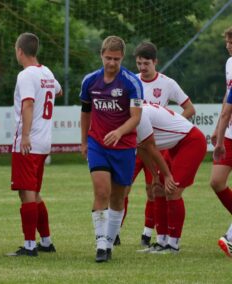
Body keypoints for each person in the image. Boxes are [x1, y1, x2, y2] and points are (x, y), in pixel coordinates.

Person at [123, 41, 196, 248]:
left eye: (146, 63)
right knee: (123, 187)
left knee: (154, 188)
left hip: (157, 146)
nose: (142, 68)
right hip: (135, 145)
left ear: (155, 62)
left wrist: (172, 124)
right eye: (138, 63)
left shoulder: (167, 83)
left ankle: (149, 233)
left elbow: (190, 109)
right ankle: (115, 232)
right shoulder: (132, 83)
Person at [79, 35, 143, 262]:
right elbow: (85, 113)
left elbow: (136, 117)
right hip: (98, 144)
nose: (112, 63)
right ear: (101, 55)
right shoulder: (90, 82)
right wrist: (85, 141)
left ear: (122, 58)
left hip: (124, 146)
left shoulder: (131, 83)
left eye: (116, 59)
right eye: (108, 58)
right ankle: (101, 244)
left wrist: (119, 132)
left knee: (118, 198)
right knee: (101, 192)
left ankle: (110, 240)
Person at [7, 32, 62, 257]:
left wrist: (26, 135)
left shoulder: (25, 75)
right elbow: (58, 90)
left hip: (29, 142)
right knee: (35, 192)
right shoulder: (46, 72)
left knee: (26, 193)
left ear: (19, 51)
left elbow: (27, 105)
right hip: (45, 140)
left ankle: (30, 245)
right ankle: (46, 241)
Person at [137, 103, 206, 253]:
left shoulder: (138, 114)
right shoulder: (129, 112)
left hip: (191, 141)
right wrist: (155, 175)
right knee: (159, 190)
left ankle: (173, 244)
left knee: (172, 190)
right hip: (174, 145)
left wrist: (167, 175)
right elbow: (140, 149)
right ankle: (162, 242)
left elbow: (151, 147)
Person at [211, 27, 232, 258]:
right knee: (217, 182)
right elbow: (227, 98)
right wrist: (219, 129)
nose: (228, 46)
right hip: (229, 134)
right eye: (227, 42)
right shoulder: (229, 63)